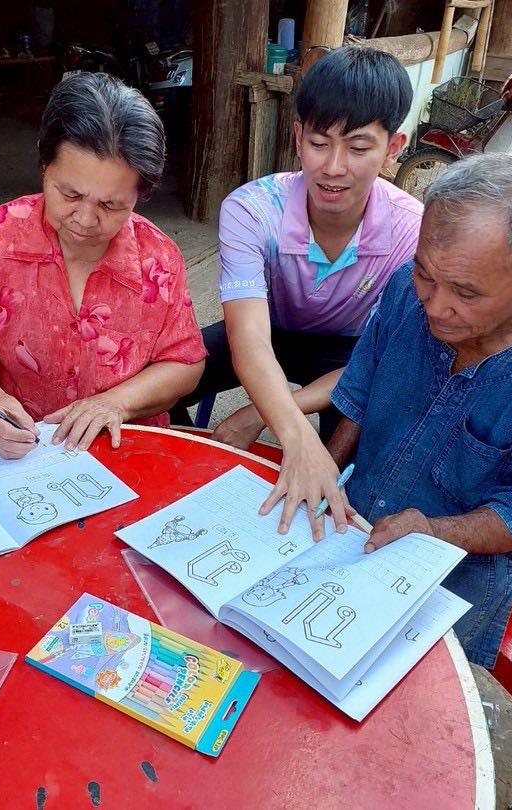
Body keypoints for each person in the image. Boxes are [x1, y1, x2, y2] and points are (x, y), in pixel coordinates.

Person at [327, 154, 512, 668]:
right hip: (348, 527)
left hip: (458, 573)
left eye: (466, 293)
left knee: (412, 694)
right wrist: (323, 471)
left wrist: (433, 531)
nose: (434, 305)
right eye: (426, 274)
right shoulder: (405, 286)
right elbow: (359, 395)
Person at [170, 45, 422, 541]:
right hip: (269, 331)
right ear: (297, 137)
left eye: (359, 147)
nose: (334, 167)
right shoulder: (251, 210)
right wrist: (290, 430)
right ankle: (178, 478)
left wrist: (268, 414)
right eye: (319, 143)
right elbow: (249, 338)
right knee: (169, 371)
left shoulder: (411, 229)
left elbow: (380, 359)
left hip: (352, 351)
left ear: (394, 147)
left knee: (360, 448)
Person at [0, 72, 206, 458]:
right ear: (45, 167)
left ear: (139, 194)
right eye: (70, 194)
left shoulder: (157, 258)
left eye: (111, 205)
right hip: (18, 452)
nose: (86, 220)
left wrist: (115, 403)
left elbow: (184, 363)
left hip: (124, 450)